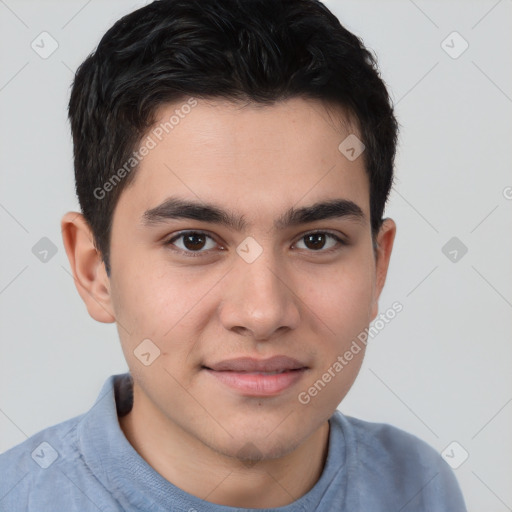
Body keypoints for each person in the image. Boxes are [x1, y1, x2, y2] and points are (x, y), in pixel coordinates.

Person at [0, 0, 467, 510]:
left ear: (378, 267)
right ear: (95, 271)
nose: (263, 313)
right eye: (193, 241)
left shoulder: (419, 486)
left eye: (317, 240)